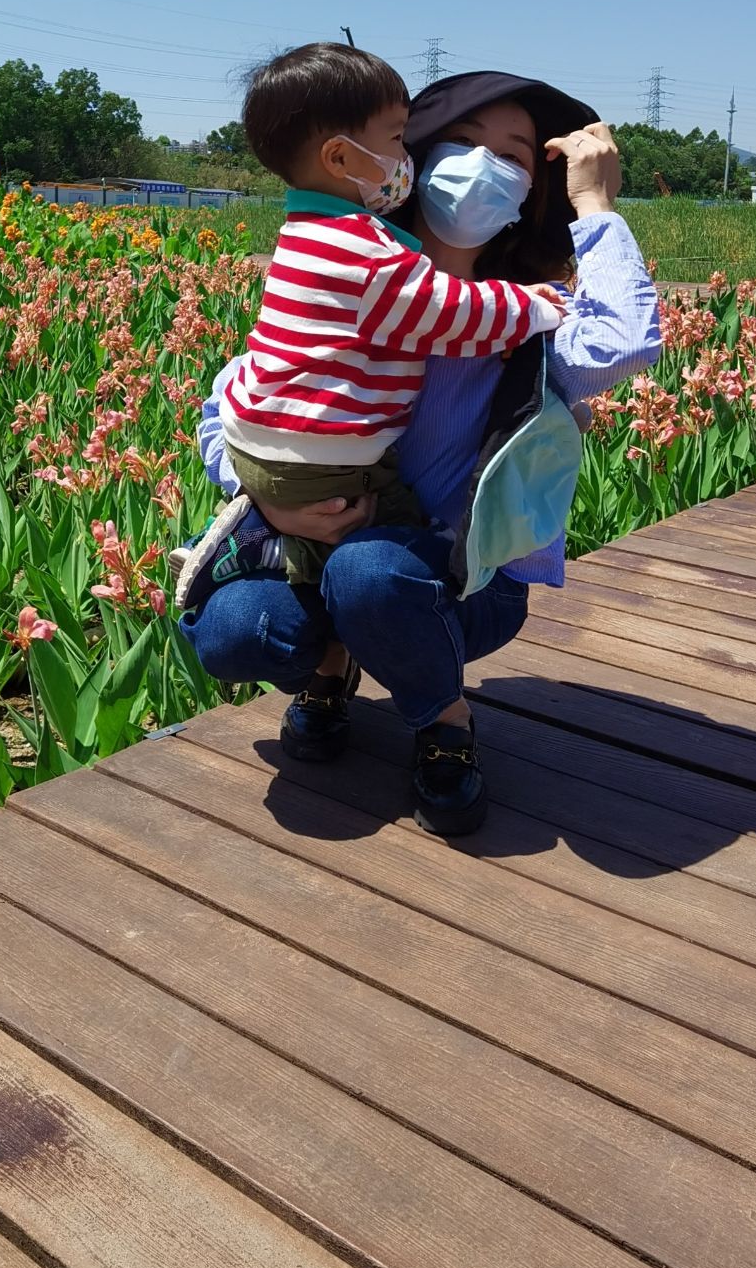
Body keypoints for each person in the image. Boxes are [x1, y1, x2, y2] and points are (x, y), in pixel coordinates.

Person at [182, 69, 661, 835]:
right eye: (460, 144)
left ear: (528, 190)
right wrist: (273, 498)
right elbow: (229, 407)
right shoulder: (344, 283)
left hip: (456, 583)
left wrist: (595, 204)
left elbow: (624, 342)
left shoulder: (524, 323)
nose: (480, 168)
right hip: (311, 554)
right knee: (237, 628)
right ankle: (331, 668)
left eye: (509, 156)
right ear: (409, 159)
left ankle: (443, 721)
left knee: (369, 572)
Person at [175, 42, 564, 600]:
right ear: (340, 158)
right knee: (401, 536)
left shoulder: (302, 235)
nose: (404, 156)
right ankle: (269, 536)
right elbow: (448, 312)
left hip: (261, 440)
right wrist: (536, 307)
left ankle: (267, 545)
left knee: (361, 559)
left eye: (511, 157)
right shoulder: (367, 255)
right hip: (328, 462)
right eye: (398, 140)